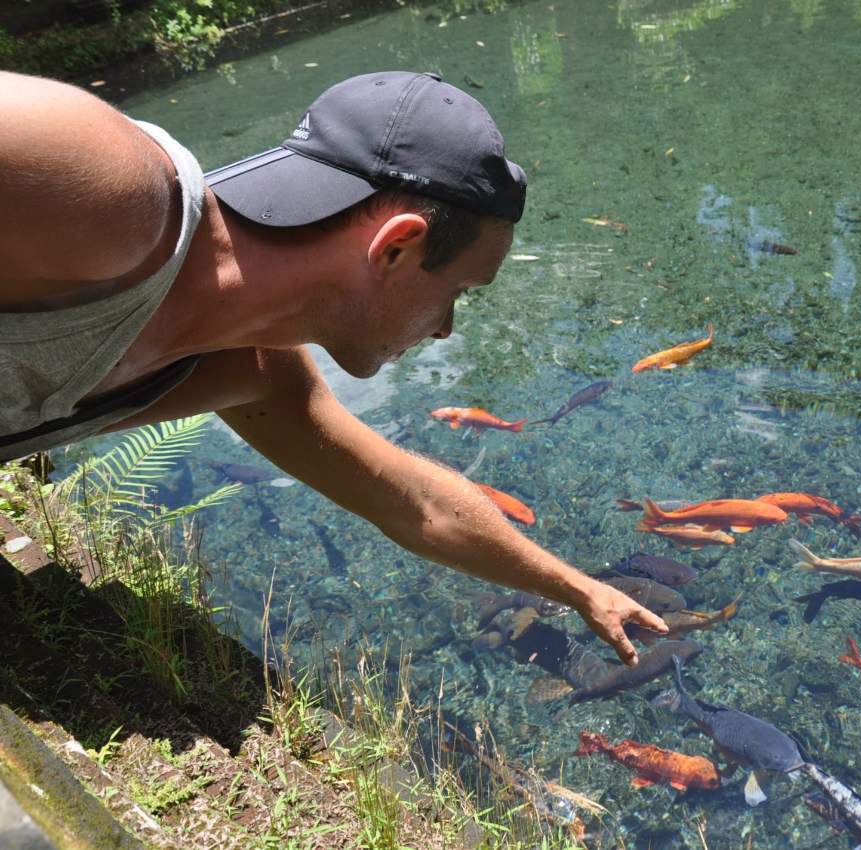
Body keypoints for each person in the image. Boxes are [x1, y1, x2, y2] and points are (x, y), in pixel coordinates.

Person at [0, 69, 666, 664]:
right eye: (458, 293)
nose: (445, 328)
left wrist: (581, 591)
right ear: (397, 249)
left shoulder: (251, 369)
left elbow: (418, 504)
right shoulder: (102, 187)